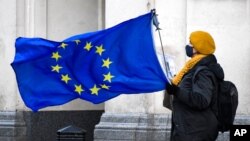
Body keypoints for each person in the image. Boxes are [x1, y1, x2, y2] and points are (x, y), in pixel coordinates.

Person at [166, 31, 224, 141]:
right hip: (189, 128)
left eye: (191, 43)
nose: (188, 45)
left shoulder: (203, 72)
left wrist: (176, 91)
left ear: (198, 48)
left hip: (196, 132)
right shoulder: (192, 67)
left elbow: (201, 100)